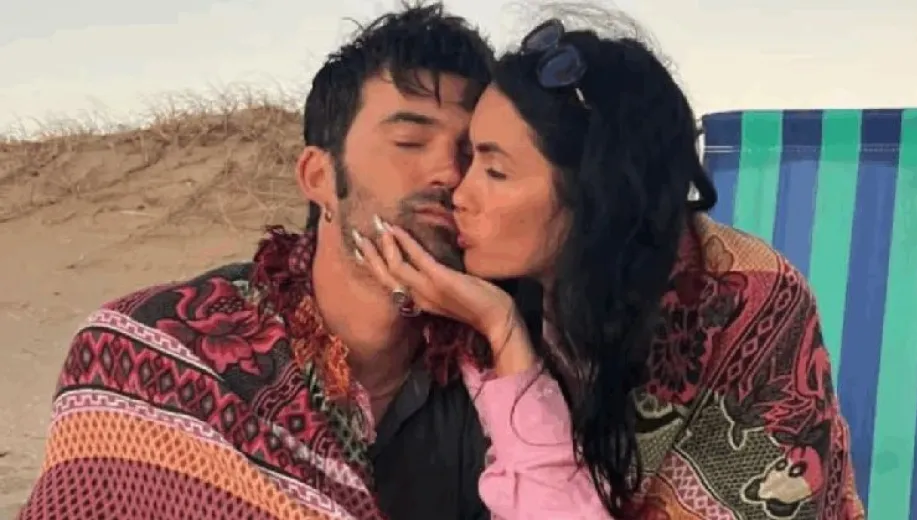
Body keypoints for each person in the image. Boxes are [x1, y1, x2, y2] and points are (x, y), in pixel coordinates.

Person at [357, 15, 868, 520]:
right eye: (469, 161)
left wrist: (504, 333)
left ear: (594, 194)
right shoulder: (510, 300)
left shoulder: (751, 304)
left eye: (494, 171)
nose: (460, 194)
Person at [17, 4, 502, 519]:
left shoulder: (499, 375)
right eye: (410, 141)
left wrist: (505, 327)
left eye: (472, 154)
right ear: (319, 178)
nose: (450, 172)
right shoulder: (145, 352)